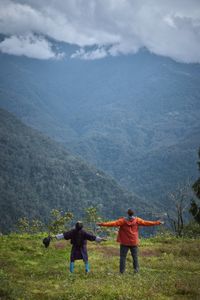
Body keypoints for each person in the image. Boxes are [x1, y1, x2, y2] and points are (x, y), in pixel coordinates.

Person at [97, 209, 164, 274]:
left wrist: (102, 224)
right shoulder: (137, 220)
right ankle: (136, 271)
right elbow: (147, 223)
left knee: (123, 257)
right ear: (133, 213)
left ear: (127, 213)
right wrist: (157, 222)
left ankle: (122, 272)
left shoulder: (123, 220)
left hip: (124, 242)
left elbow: (113, 223)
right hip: (134, 242)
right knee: (135, 257)